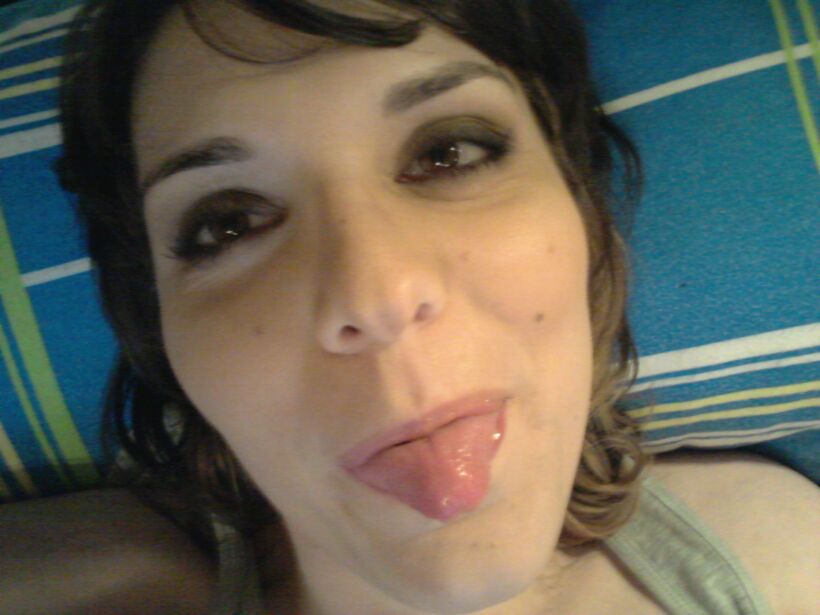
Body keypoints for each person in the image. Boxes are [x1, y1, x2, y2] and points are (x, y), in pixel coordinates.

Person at [1, 1, 816, 614]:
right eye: (230, 222)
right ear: (155, 326)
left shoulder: (774, 554)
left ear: (580, 207)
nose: (377, 296)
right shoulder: (109, 580)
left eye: (449, 152)